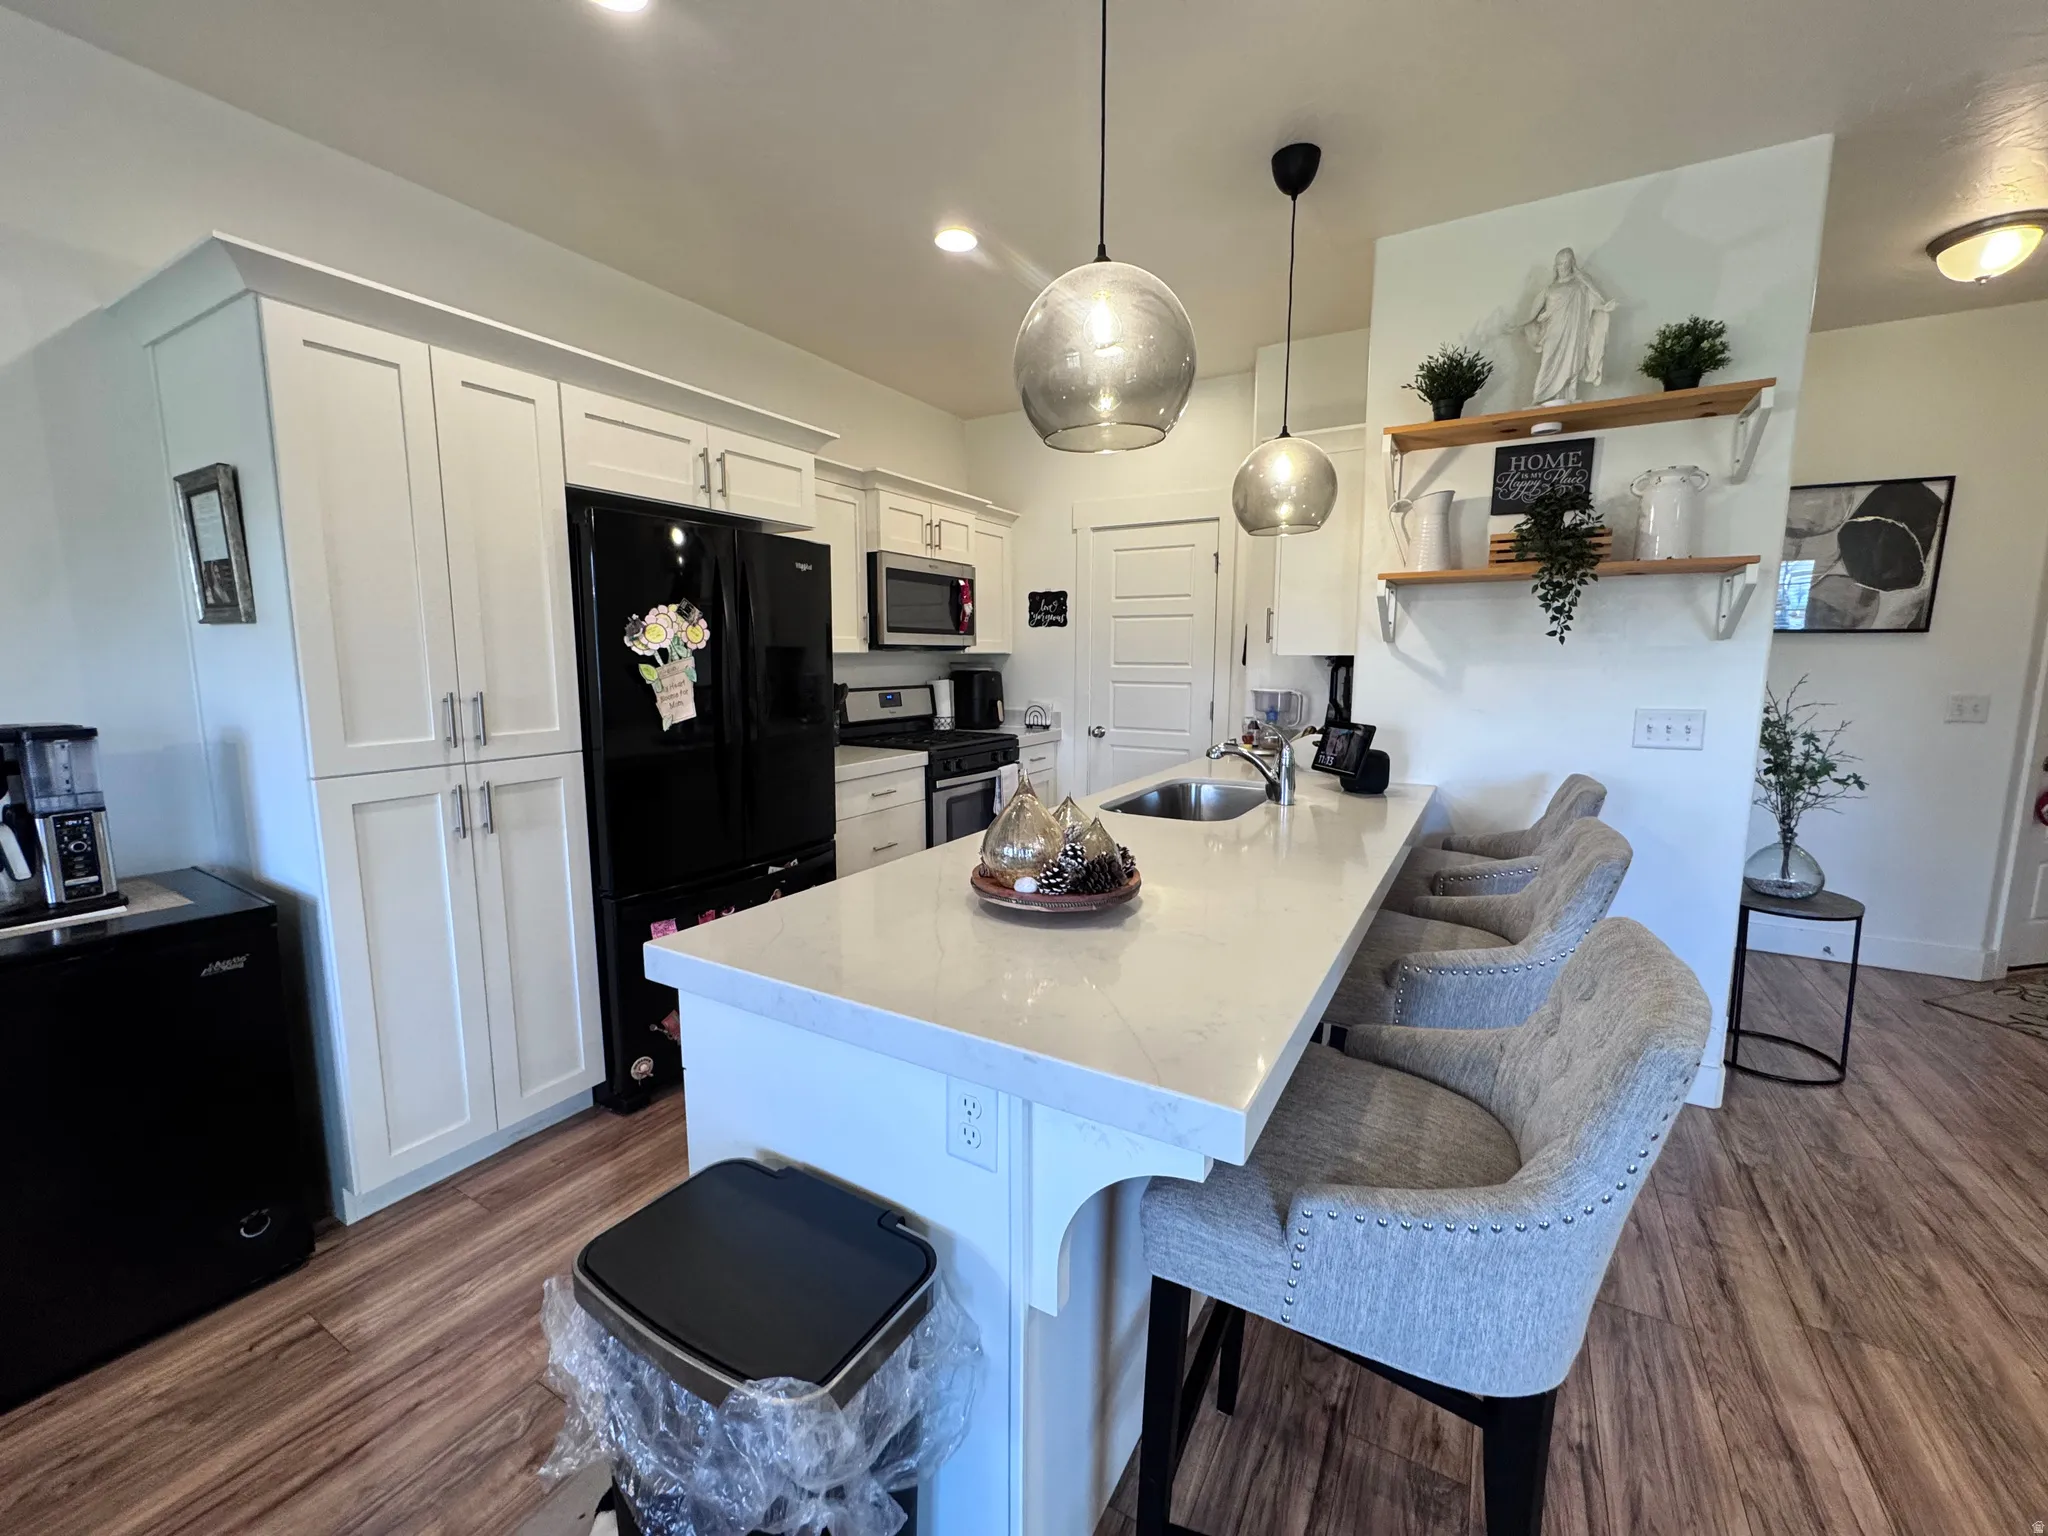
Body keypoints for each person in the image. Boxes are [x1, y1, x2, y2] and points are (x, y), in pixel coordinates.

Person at [1520, 248, 1616, 405]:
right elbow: (1533, 314)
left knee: (1572, 361)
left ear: (1572, 264)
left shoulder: (1580, 286)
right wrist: (1520, 324)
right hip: (1552, 332)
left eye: (1566, 263)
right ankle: (1540, 396)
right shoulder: (1550, 289)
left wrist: (1604, 308)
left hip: (1573, 333)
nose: (1563, 267)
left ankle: (1568, 396)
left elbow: (1592, 303)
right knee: (1548, 361)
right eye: (1560, 264)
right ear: (1555, 266)